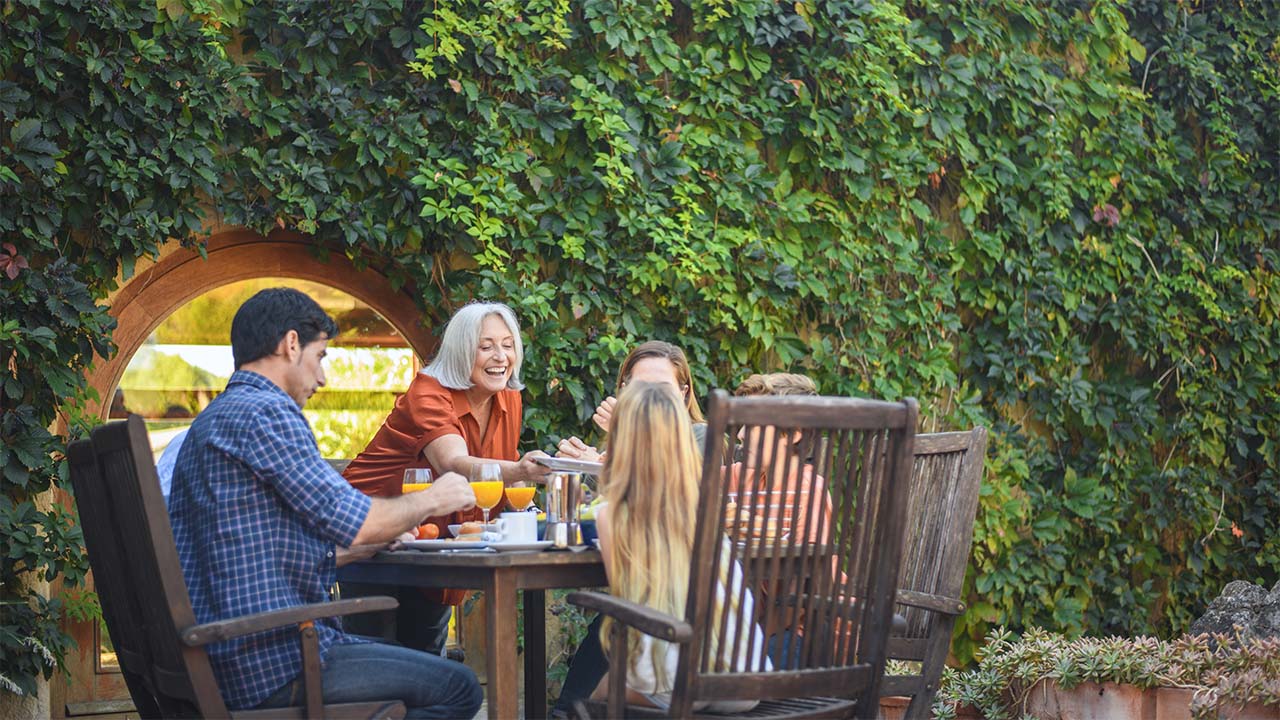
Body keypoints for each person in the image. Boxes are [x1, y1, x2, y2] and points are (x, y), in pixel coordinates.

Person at [167, 288, 483, 719]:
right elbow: (357, 520)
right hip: (272, 660)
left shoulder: (217, 417)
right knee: (458, 686)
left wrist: (363, 548)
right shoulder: (266, 414)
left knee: (412, 660)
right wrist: (434, 497)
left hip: (226, 652)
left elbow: (259, 552)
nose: (323, 378)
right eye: (320, 357)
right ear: (291, 344)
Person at [341, 301, 550, 654]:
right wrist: (518, 470)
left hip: (433, 537)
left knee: (424, 653)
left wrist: (531, 505)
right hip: (371, 531)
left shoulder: (509, 397)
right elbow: (453, 461)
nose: (500, 356)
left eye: (508, 345)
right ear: (460, 350)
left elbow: (502, 466)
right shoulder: (428, 392)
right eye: (486, 347)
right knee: (379, 654)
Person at [591, 382, 768, 712]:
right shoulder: (706, 506)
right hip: (746, 679)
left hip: (681, 685)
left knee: (599, 694)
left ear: (621, 441)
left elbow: (627, 605)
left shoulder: (612, 515)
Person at [555, 340, 707, 461]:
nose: (651, 396)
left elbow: (673, 490)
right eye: (641, 386)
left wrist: (599, 464)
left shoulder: (700, 435)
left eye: (663, 388)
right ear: (624, 391)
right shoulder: (617, 439)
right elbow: (593, 496)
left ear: (683, 394)